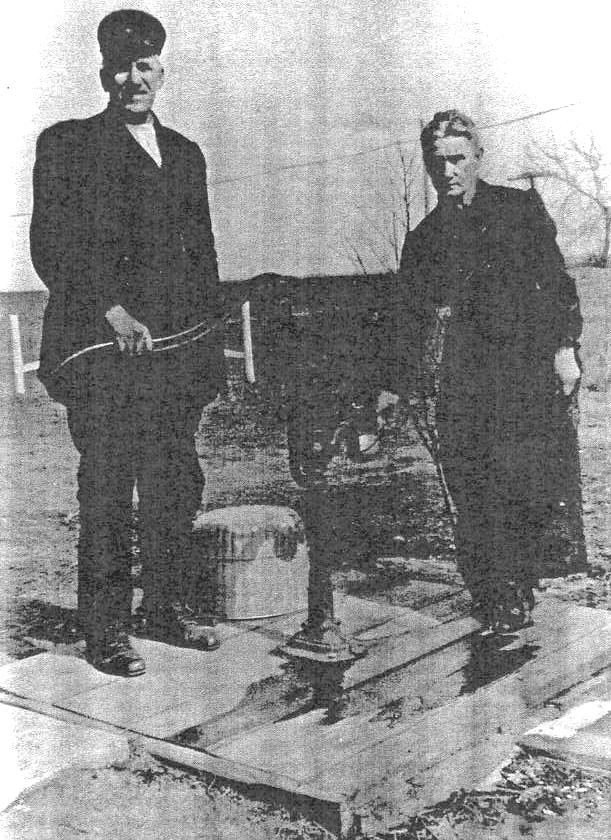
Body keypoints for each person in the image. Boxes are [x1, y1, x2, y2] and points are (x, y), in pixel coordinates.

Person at [30, 10, 226, 675]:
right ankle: (106, 629)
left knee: (174, 484)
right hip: (104, 355)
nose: (133, 79)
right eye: (121, 67)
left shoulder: (186, 154)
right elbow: (52, 244)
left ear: (161, 71)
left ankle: (164, 609)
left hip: (173, 357)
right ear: (102, 73)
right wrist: (110, 312)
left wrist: (206, 348)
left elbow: (201, 257)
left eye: (145, 66)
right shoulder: (68, 145)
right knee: (109, 489)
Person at [398, 110, 582, 633]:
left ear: (478, 157)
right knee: (472, 487)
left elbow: (557, 285)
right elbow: (408, 320)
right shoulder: (424, 239)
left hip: (526, 372)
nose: (448, 171)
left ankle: (518, 583)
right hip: (464, 380)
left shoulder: (518, 210)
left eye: (458, 159)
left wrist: (564, 348)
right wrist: (404, 385)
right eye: (438, 162)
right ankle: (495, 591)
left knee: (525, 483)